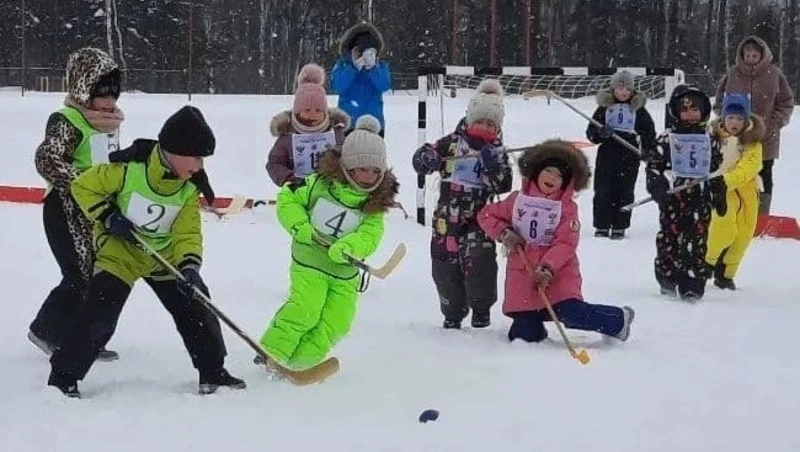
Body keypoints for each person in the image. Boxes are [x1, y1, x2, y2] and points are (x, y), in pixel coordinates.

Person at [47, 106, 245, 398]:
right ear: (173, 150)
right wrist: (108, 216)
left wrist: (189, 266)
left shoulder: (189, 188)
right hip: (121, 253)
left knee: (197, 306)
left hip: (162, 257)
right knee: (99, 312)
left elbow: (187, 232)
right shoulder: (128, 168)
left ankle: (212, 371)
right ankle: (63, 377)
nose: (200, 165)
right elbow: (83, 187)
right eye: (196, 156)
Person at [259, 115, 397, 371]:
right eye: (362, 169)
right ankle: (273, 353)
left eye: (375, 171)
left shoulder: (374, 204)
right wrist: (300, 226)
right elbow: (288, 200)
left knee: (337, 322)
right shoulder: (317, 184)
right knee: (305, 309)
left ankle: (302, 364)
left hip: (344, 273)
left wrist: (350, 248)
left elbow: (370, 235)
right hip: (310, 261)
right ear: (347, 166)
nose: (368, 177)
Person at [477, 140, 635, 343]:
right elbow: (486, 215)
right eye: (548, 171)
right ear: (536, 172)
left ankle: (618, 320)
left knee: (571, 313)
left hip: (558, 273)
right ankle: (533, 328)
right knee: (524, 336)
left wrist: (547, 268)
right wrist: (504, 232)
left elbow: (566, 243)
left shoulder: (567, 209)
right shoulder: (517, 200)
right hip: (523, 274)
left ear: (567, 182)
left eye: (559, 175)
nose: (552, 178)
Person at [30, 47, 125, 361]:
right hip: (64, 207)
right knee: (78, 274)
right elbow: (47, 159)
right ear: (84, 88)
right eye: (102, 92)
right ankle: (47, 330)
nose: (110, 100)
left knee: (98, 274)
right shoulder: (68, 119)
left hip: (94, 211)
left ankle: (82, 339)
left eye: (114, 92)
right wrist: (84, 181)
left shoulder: (108, 122)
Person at [411, 79, 512, 329]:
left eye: (491, 124)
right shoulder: (452, 143)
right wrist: (427, 159)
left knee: (480, 262)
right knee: (445, 265)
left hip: (479, 218)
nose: (485, 127)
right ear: (469, 119)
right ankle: (452, 310)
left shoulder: (497, 153)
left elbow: (503, 184)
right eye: (480, 121)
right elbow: (423, 158)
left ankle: (481, 307)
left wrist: (491, 165)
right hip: (447, 218)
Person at [645, 86, 725, 301]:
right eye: (685, 109)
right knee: (669, 238)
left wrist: (719, 191)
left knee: (696, 239)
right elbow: (654, 167)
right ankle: (667, 275)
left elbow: (716, 168)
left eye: (695, 109)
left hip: (700, 198)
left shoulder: (711, 138)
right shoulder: (667, 138)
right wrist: (657, 185)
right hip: (673, 197)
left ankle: (692, 281)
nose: (690, 114)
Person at [713, 35, 794, 214]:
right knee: (733, 171)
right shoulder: (732, 73)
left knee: (763, 174)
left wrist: (772, 124)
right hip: (734, 138)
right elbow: (719, 101)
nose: (750, 60)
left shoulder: (774, 74)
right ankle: (734, 209)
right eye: (747, 56)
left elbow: (786, 102)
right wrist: (726, 122)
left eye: (754, 56)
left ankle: (762, 213)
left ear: (762, 55)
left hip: (765, 138)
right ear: (742, 55)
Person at [586, 70, 657, 239]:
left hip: (629, 155)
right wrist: (600, 133)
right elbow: (591, 133)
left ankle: (620, 225)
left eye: (627, 89)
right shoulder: (604, 109)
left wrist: (647, 150)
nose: (623, 93)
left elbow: (649, 132)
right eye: (619, 89)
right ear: (613, 90)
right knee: (603, 190)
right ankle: (602, 225)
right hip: (607, 153)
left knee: (625, 190)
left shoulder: (638, 110)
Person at [706, 93, 764, 290]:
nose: (735, 122)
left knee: (744, 233)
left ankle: (726, 273)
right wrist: (718, 183)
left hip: (746, 191)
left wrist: (728, 180)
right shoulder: (713, 137)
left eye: (740, 118)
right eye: (730, 117)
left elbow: (750, 166)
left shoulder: (752, 141)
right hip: (721, 191)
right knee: (722, 226)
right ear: (723, 118)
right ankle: (707, 263)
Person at [267, 63, 350, 187]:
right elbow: (275, 163)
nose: (313, 115)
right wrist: (288, 179)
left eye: (318, 111)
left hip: (332, 190)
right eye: (307, 110)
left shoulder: (336, 133)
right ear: (297, 111)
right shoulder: (288, 136)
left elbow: (349, 158)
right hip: (297, 189)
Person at [331, 22, 391, 136]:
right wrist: (353, 68)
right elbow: (338, 87)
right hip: (348, 123)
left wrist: (372, 68)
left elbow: (385, 85)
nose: (362, 53)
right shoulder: (342, 65)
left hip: (374, 123)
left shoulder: (381, 66)